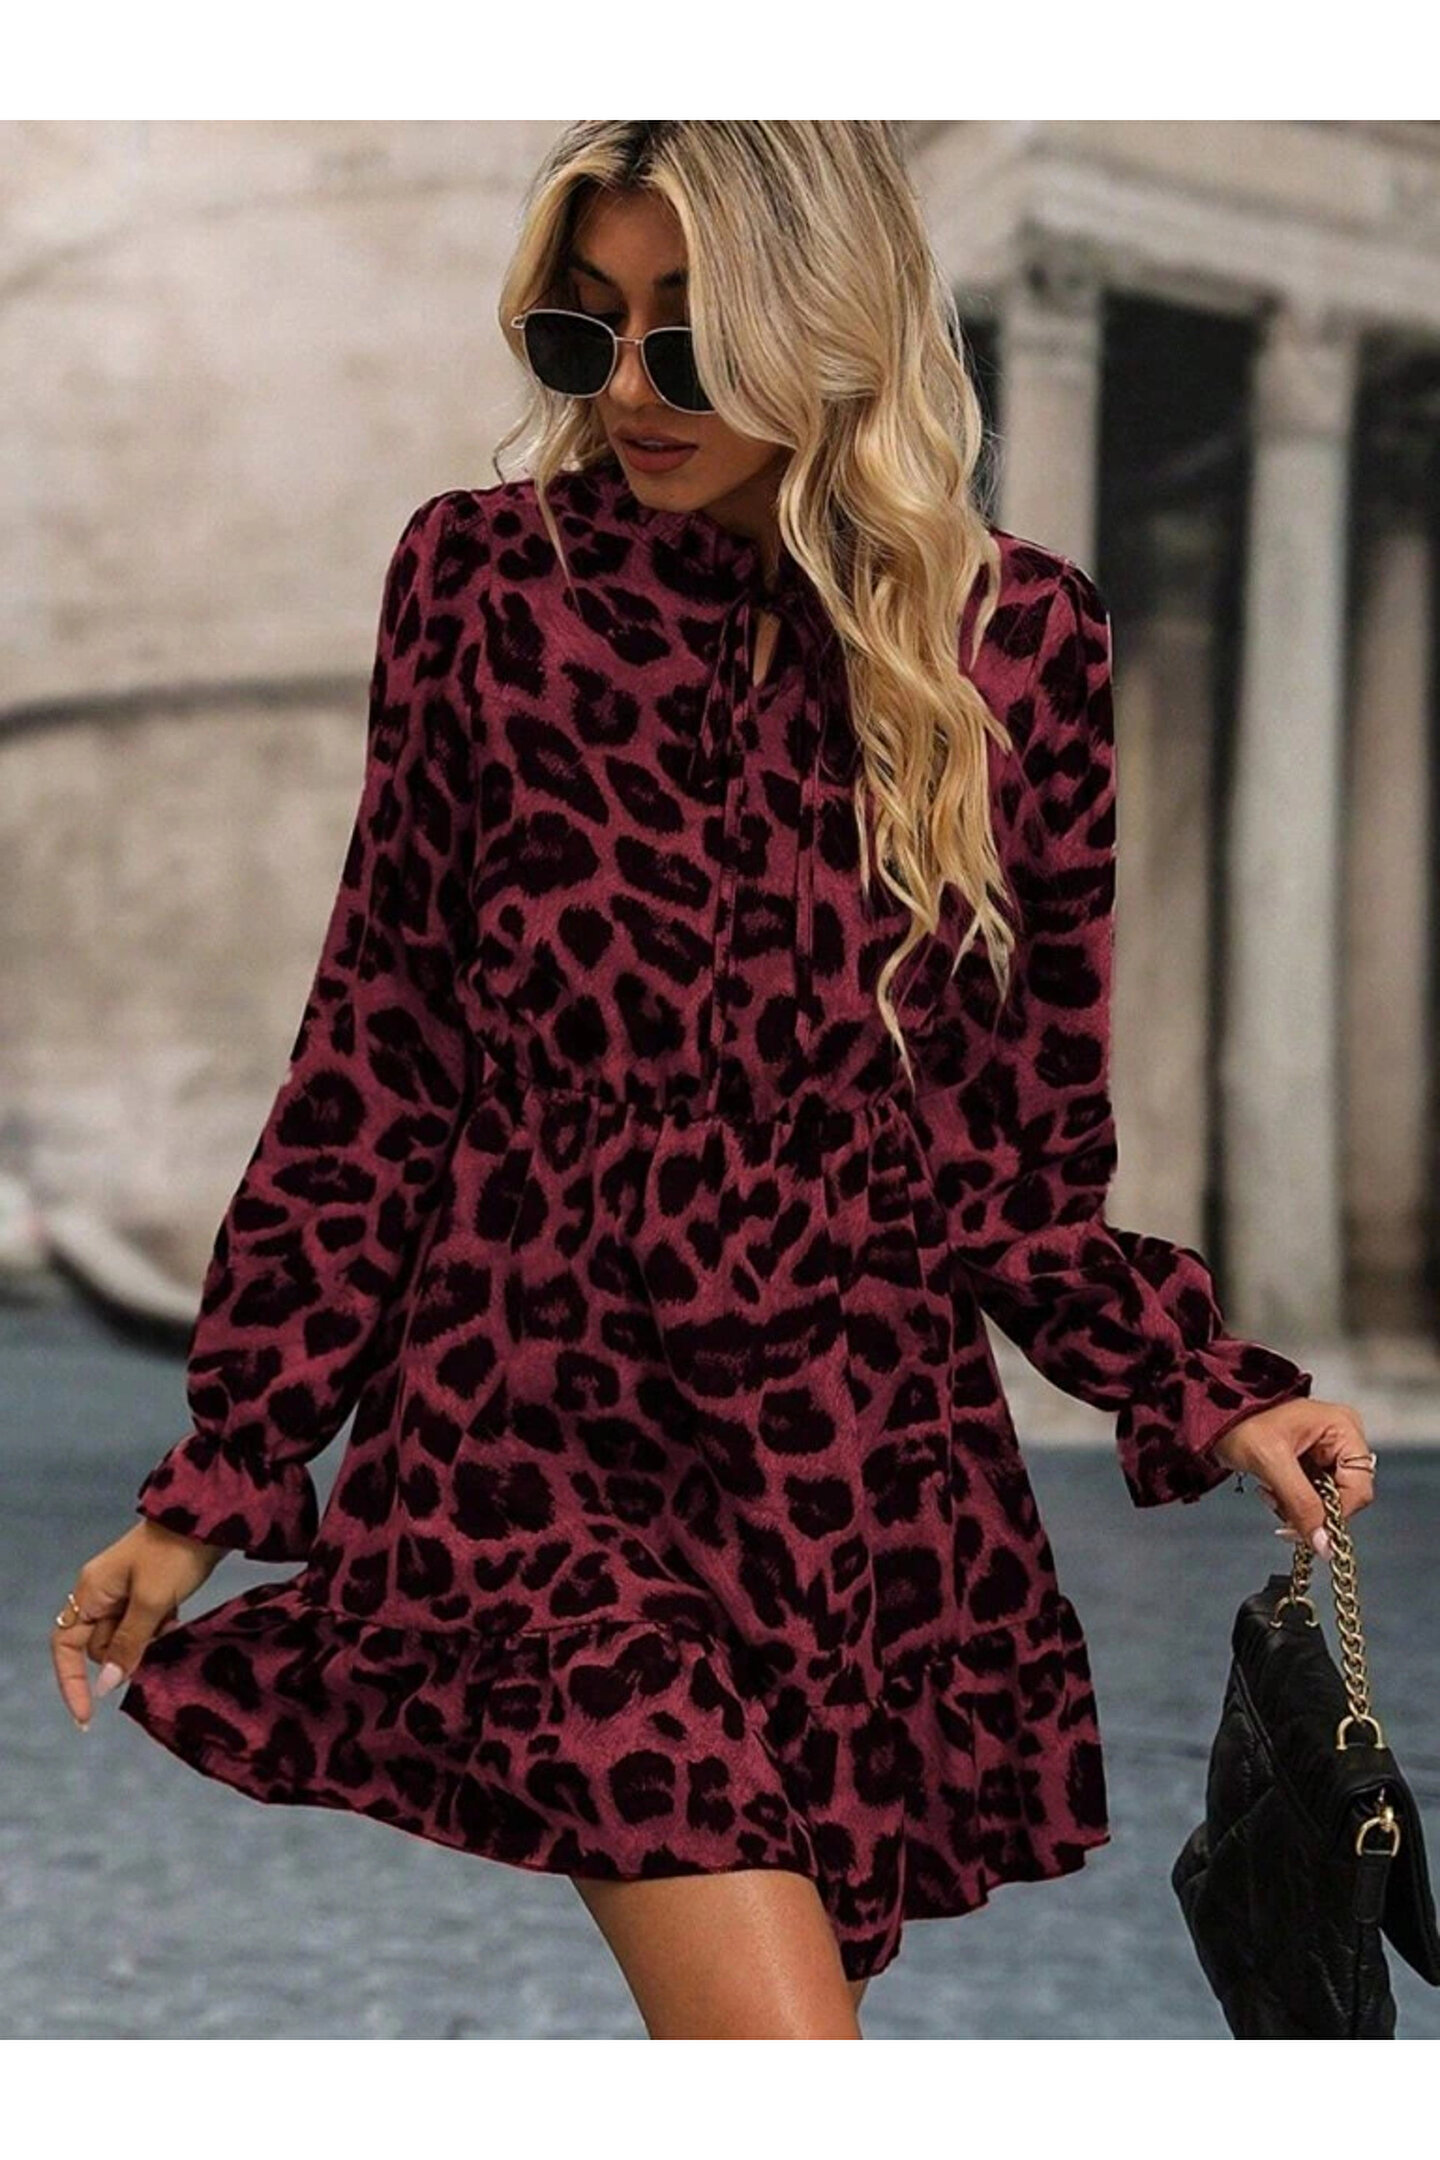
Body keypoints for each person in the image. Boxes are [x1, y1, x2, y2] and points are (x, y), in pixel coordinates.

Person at [50, 120, 1377, 2042]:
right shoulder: (484, 586)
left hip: (849, 1463)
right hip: (538, 1426)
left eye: (689, 336)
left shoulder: (1018, 645)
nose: (629, 390)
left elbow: (1014, 1157)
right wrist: (222, 1473)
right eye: (582, 332)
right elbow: (380, 1051)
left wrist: (1206, 1385)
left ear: (829, 324)